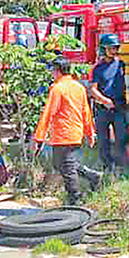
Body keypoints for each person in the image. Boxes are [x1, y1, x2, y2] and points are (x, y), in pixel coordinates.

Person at [33, 56, 98, 205]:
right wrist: (90, 133)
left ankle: (75, 199)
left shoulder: (57, 88)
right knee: (61, 164)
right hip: (75, 133)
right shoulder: (79, 87)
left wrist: (39, 138)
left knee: (67, 168)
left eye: (52, 70)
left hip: (63, 134)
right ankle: (92, 176)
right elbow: (86, 112)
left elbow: (48, 113)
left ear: (57, 71)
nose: (52, 73)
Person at [88, 34, 127, 175]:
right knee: (103, 140)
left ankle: (120, 167)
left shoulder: (121, 64)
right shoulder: (98, 68)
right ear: (104, 49)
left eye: (115, 48)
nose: (114, 50)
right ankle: (107, 166)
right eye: (111, 48)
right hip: (103, 109)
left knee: (121, 137)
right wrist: (105, 101)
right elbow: (93, 90)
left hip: (118, 107)